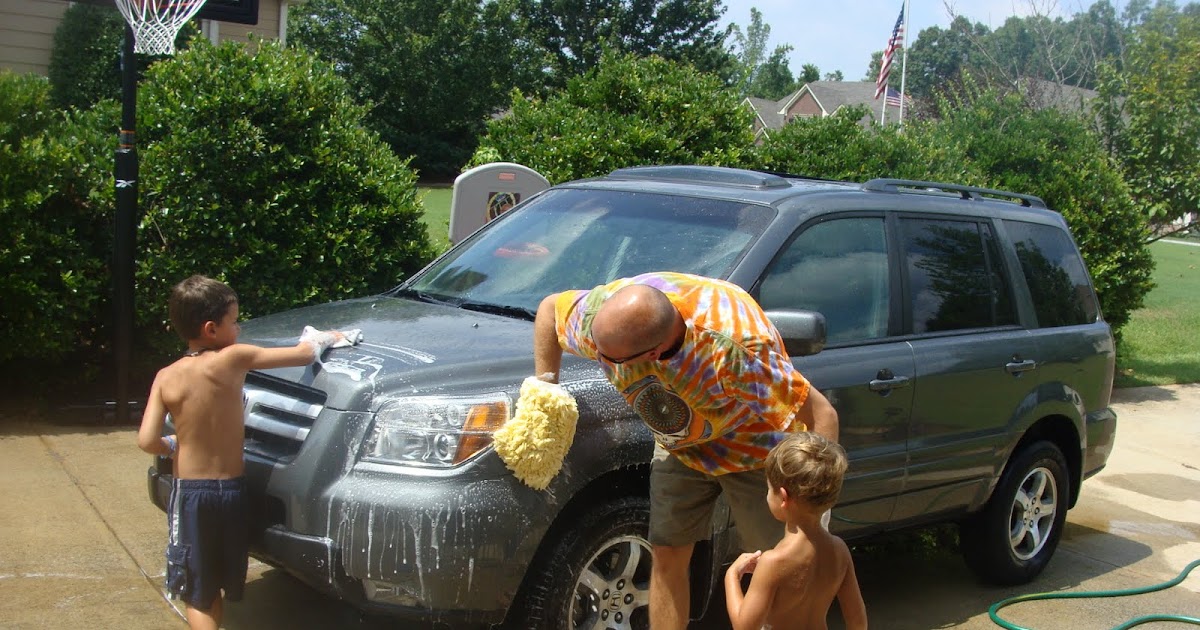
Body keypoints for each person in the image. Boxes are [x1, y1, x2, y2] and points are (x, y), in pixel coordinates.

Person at [533, 271, 839, 630]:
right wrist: (544, 395)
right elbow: (550, 310)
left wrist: (811, 511)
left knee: (785, 568)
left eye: (612, 361)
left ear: (655, 353)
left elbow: (822, 415)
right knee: (666, 552)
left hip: (758, 450)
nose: (600, 361)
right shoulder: (603, 318)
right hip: (680, 447)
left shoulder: (737, 350)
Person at [137, 275, 347, 630]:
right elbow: (304, 352)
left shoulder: (166, 377)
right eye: (234, 321)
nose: (238, 328)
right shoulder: (235, 359)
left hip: (191, 494)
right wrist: (331, 337)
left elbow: (146, 440)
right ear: (211, 329)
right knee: (219, 577)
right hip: (232, 491)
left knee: (198, 589)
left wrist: (171, 445)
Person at [724, 432, 867, 630]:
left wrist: (732, 575)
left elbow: (744, 626)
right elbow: (857, 619)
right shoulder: (839, 550)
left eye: (768, 489)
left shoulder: (773, 562)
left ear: (783, 497)